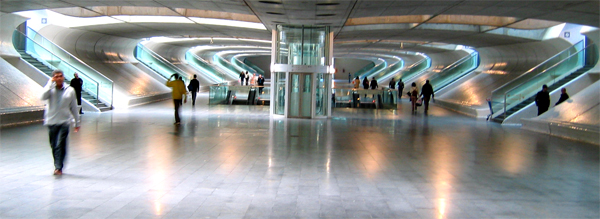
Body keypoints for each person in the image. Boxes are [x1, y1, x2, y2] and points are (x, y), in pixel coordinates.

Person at [41, 69, 81, 175]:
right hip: (52, 121)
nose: (59, 78)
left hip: (64, 121)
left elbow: (73, 107)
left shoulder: (70, 90)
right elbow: (42, 97)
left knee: (60, 144)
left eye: (60, 76)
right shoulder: (50, 89)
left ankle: (58, 167)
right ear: (53, 78)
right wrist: (49, 83)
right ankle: (58, 164)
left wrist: (77, 122)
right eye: (56, 76)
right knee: (54, 145)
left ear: (63, 77)